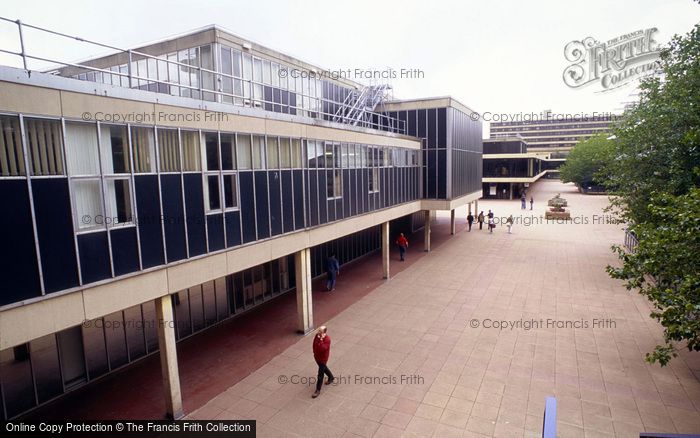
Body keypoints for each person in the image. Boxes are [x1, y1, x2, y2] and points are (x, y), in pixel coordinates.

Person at [312, 326, 334, 398]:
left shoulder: (327, 339)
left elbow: (322, 349)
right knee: (324, 368)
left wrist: (321, 340)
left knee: (320, 374)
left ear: (324, 332)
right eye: (318, 330)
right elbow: (314, 344)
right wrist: (314, 351)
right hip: (317, 357)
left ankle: (318, 390)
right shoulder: (316, 336)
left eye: (320, 331)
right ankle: (331, 377)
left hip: (323, 359)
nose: (318, 332)